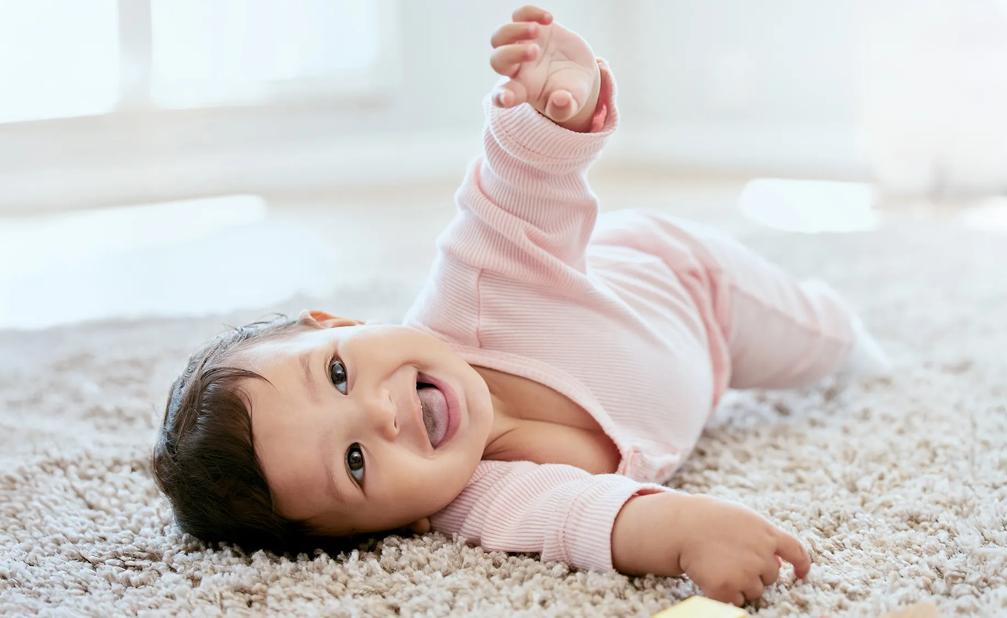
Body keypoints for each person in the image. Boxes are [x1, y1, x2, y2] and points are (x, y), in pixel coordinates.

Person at [151, 5, 889, 606]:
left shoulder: (472, 293)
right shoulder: (473, 500)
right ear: (384, 526)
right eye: (354, 462)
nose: (381, 416)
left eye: (338, 375)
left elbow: (511, 195)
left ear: (341, 324)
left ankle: (860, 339)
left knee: (822, 343)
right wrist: (686, 528)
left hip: (691, 285)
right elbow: (582, 519)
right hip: (690, 382)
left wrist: (545, 110)